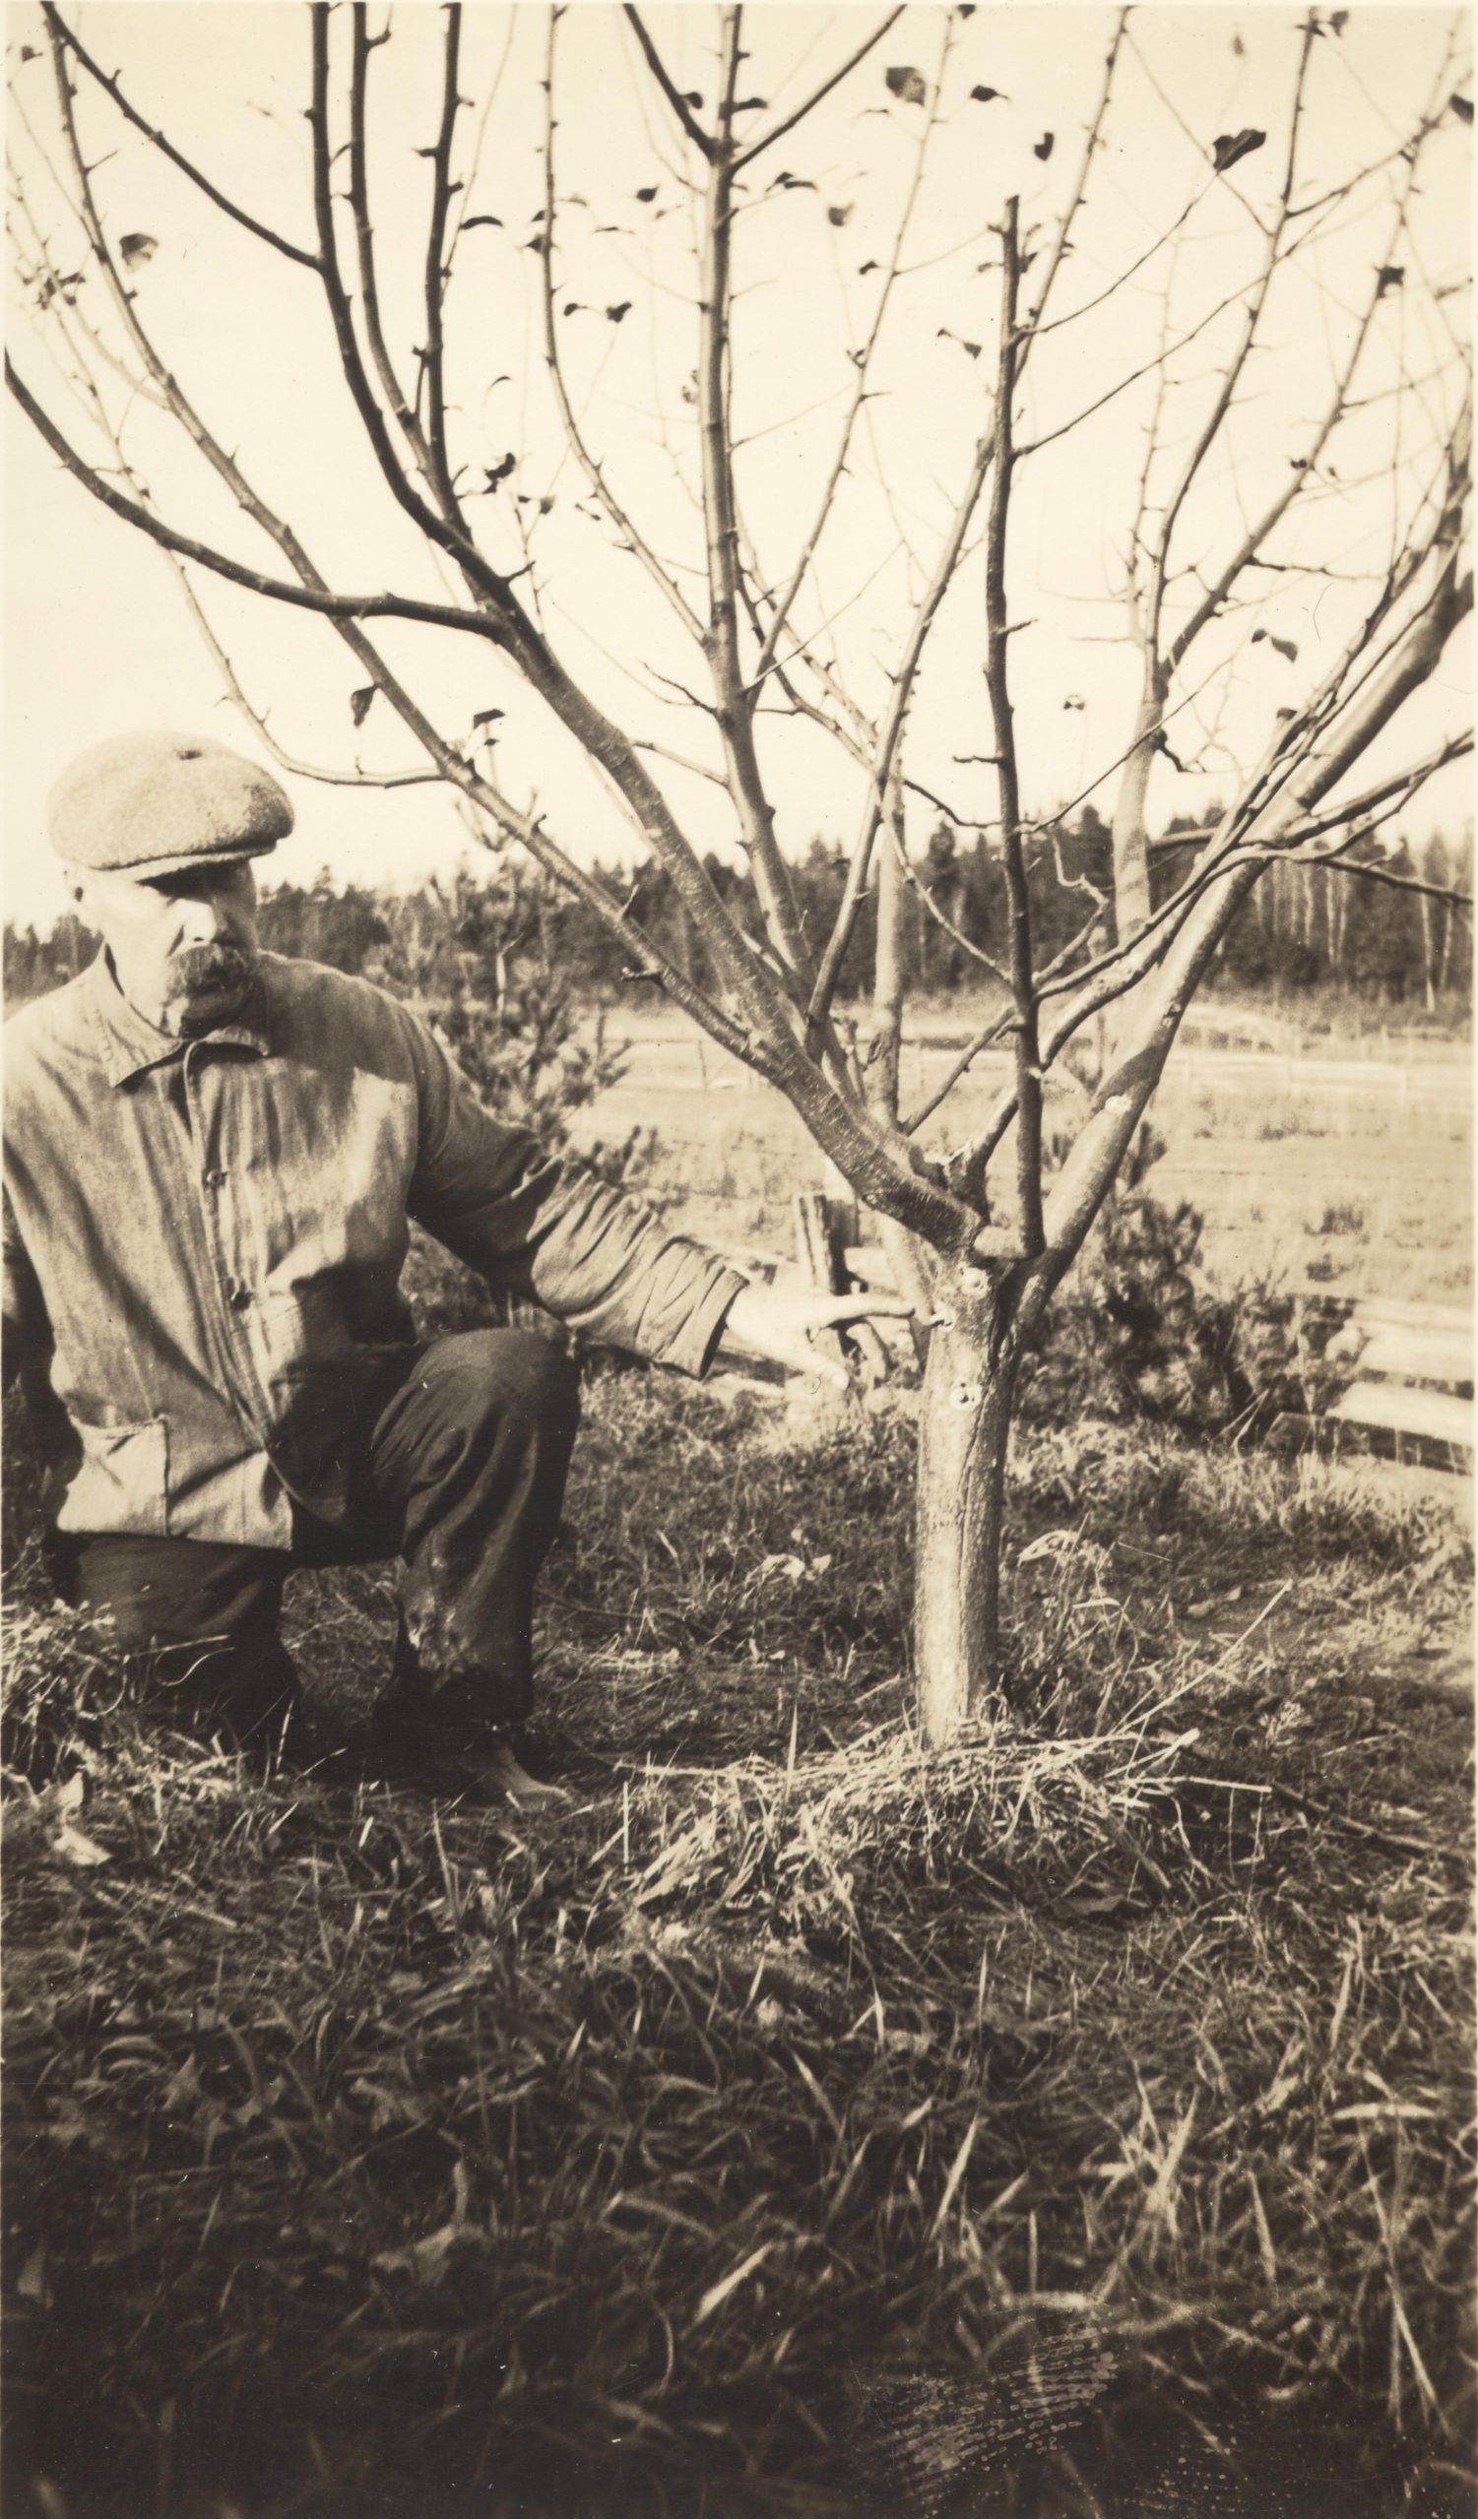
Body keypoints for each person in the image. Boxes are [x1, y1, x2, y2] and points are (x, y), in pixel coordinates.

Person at [3, 732, 910, 1803]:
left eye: (226, 877)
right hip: (161, 1494)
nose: (207, 916)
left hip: (351, 1441)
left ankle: (453, 1727)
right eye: (164, 889)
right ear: (81, 893)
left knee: (503, 1377)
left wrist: (738, 1309)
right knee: (225, 1759)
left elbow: (524, 1203)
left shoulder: (361, 1033)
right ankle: (236, 1687)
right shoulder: (24, 1087)